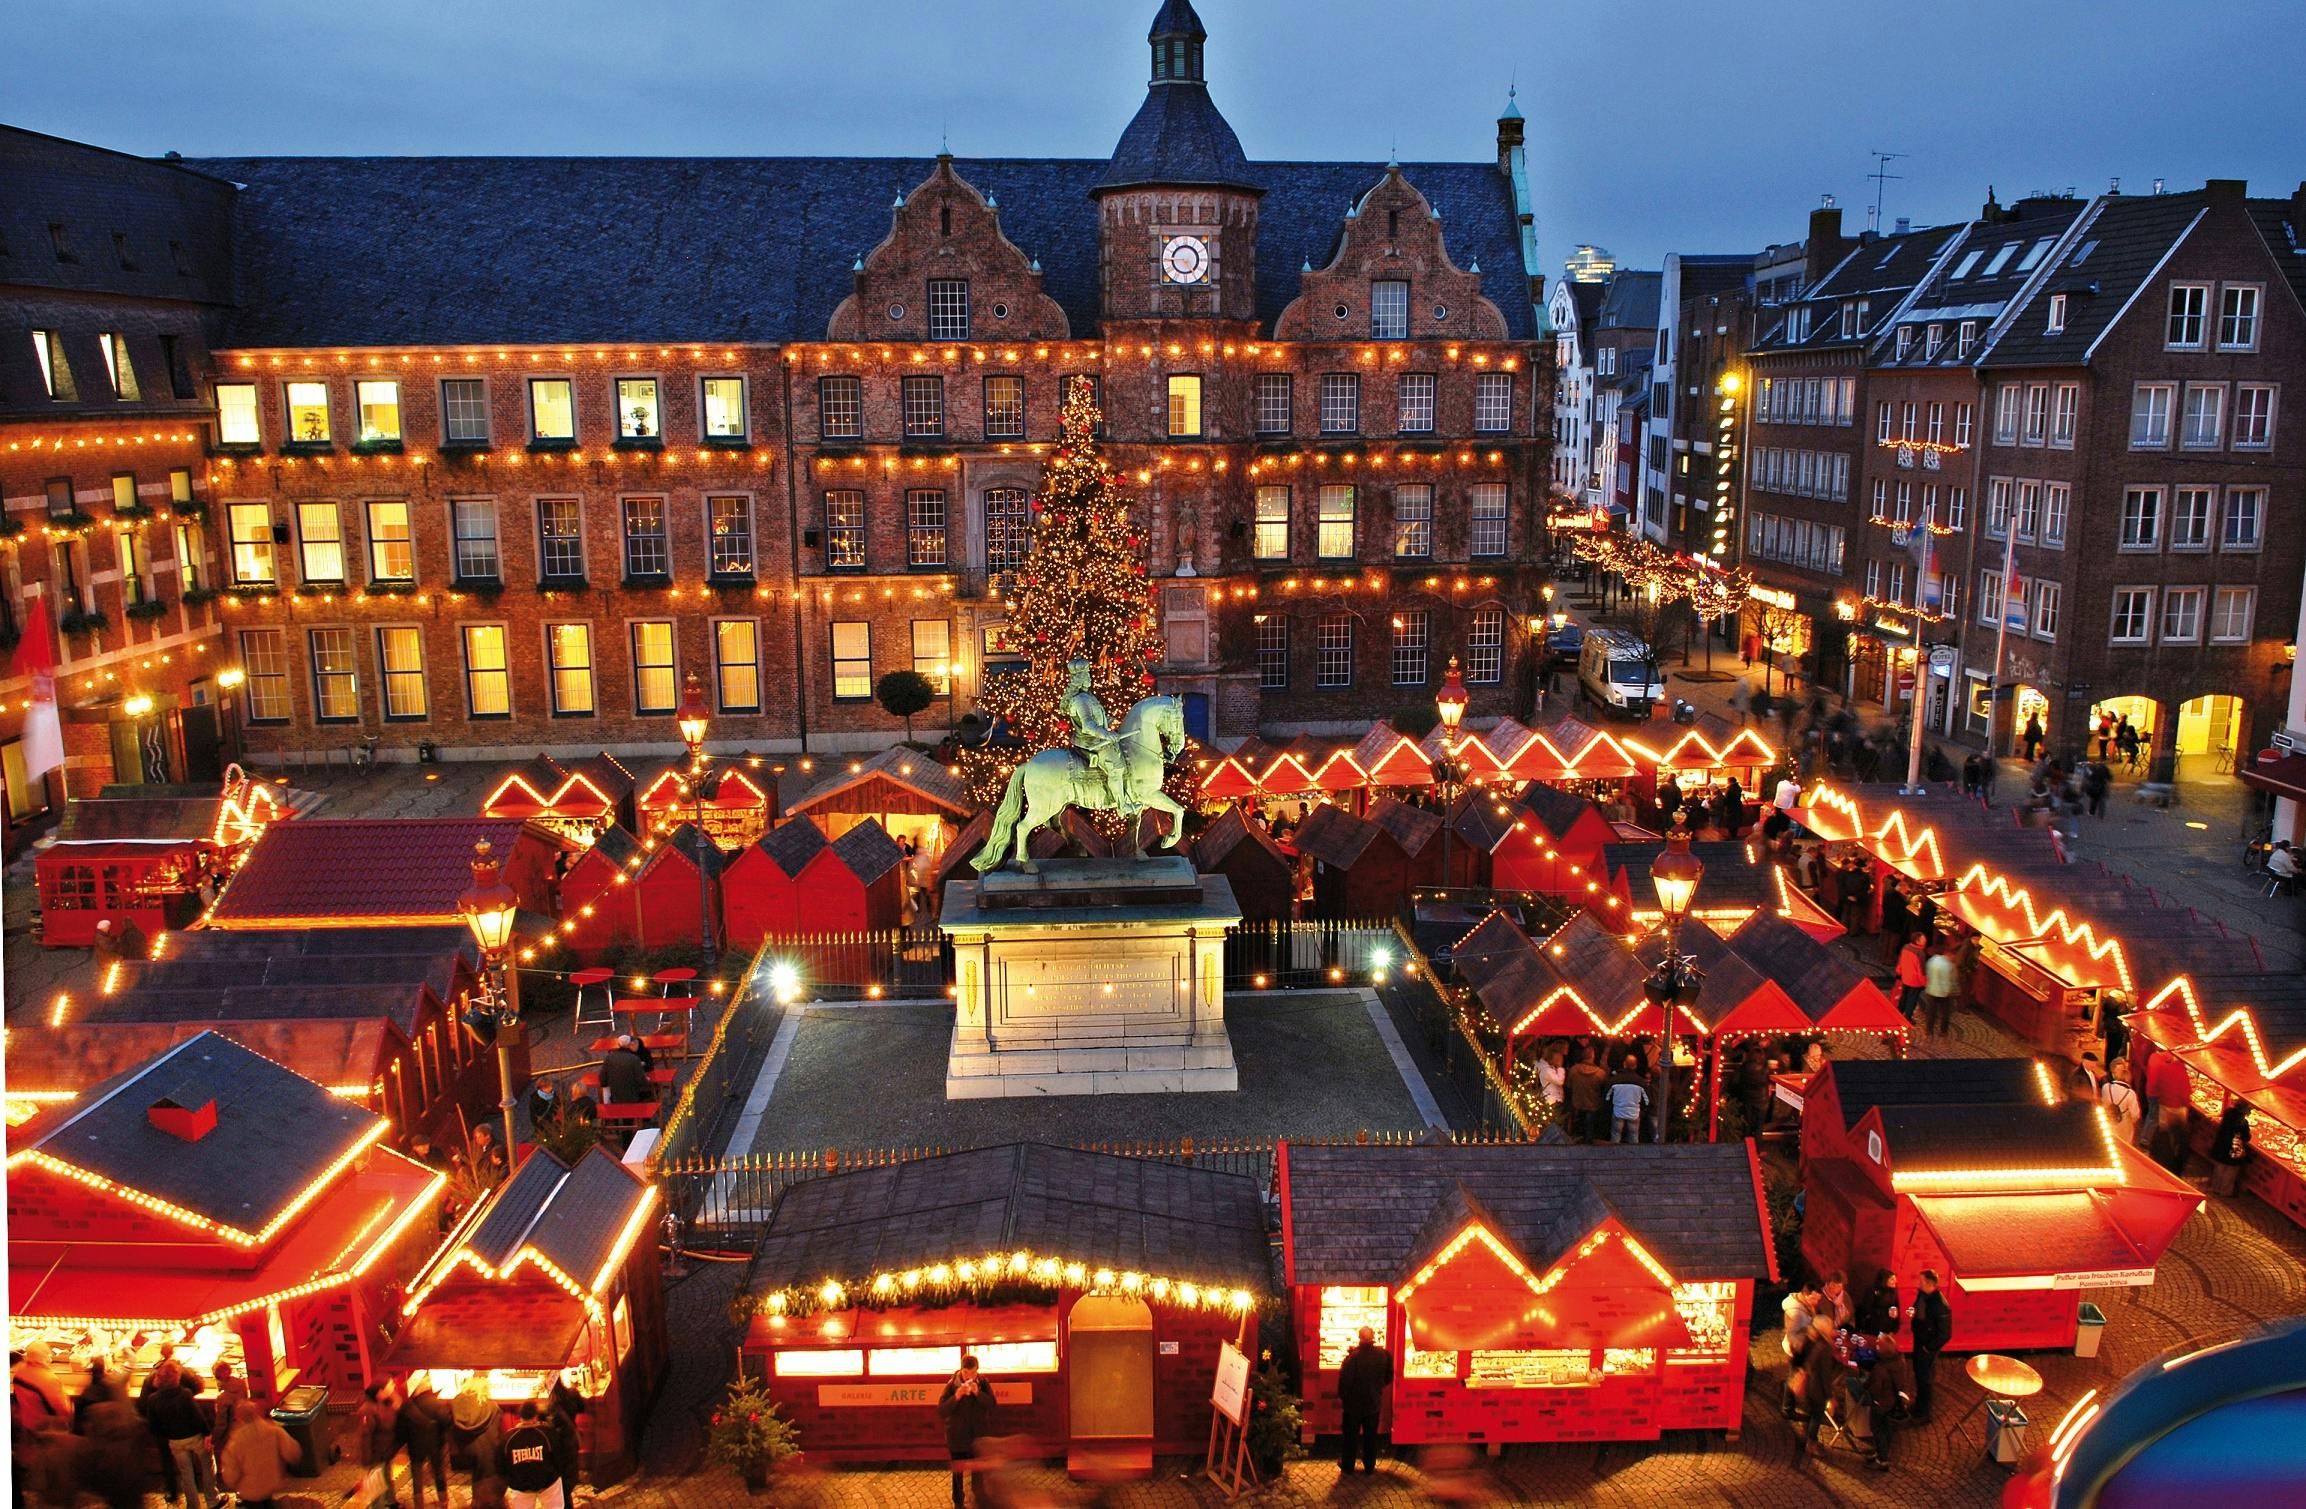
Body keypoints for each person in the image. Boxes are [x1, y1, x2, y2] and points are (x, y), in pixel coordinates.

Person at [145, 1360, 221, 1509]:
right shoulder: (184, 1394)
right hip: (194, 1437)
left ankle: (193, 1505)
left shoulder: (153, 1400)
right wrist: (207, 1434)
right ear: (176, 1378)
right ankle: (212, 1500)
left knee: (186, 1474)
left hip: (175, 1441)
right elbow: (198, 1417)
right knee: (208, 1465)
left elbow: (153, 1426)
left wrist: (167, 1435)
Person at [939, 1354, 998, 1506]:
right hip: (957, 1437)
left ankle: (978, 1499)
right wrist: (956, 1396)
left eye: (973, 1373)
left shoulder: (983, 1383)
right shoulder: (952, 1385)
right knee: (958, 1474)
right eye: (966, 1373)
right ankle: (958, 1502)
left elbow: (992, 1404)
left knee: (977, 1472)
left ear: (977, 1371)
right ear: (961, 1370)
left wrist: (978, 1393)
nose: (969, 1377)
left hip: (977, 1437)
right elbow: (942, 1411)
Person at [219, 1398, 301, 1508]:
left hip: (250, 1491)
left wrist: (232, 1483)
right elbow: (292, 1452)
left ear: (239, 1417)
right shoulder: (273, 1431)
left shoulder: (236, 1441)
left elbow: (231, 1471)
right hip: (270, 1484)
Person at [1336, 1326, 1392, 1474]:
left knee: (1350, 1436)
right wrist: (1378, 1388)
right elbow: (1389, 1376)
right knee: (1371, 1436)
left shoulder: (1353, 1357)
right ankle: (1369, 1465)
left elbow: (1345, 1381)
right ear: (1373, 1337)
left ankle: (1348, 1465)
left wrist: (1344, 1397)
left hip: (1353, 1405)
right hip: (1373, 1402)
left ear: (1359, 1337)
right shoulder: (1383, 1355)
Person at [397, 1374, 454, 1509]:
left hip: (415, 1446)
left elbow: (401, 1429)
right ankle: (443, 1501)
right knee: (438, 1472)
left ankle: (419, 1504)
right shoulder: (438, 1403)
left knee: (416, 1475)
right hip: (435, 1445)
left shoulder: (408, 1406)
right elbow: (447, 1421)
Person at [1860, 1335, 1915, 1471]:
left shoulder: (1880, 1369)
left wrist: (1865, 1383)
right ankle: (1880, 1452)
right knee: (1887, 1430)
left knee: (1878, 1430)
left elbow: (1875, 1389)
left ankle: (1882, 1460)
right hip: (1893, 1403)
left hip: (1880, 1404)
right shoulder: (1900, 1361)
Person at [1907, 1270, 1953, 1421]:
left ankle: (1925, 1413)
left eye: (1922, 1281)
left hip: (1927, 1347)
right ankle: (1919, 1405)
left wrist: (1929, 1348)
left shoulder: (1941, 1306)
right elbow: (1917, 1306)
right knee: (1919, 1374)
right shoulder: (1923, 1294)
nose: (1919, 1284)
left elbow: (1945, 1334)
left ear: (1930, 1284)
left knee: (1925, 1378)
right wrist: (1912, 1311)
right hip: (1920, 1340)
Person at [501, 1402, 563, 1509]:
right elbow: (560, 1458)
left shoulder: (508, 1438)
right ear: (535, 1417)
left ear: (520, 1418)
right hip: (548, 1484)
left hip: (521, 1488)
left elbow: (501, 1465)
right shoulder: (548, 1433)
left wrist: (512, 1481)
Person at [353, 1381, 404, 1509]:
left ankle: (391, 1502)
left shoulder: (387, 1402)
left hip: (387, 1451)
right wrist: (367, 1458)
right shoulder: (367, 1410)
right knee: (377, 1485)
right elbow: (365, 1437)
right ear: (380, 1392)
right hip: (376, 1454)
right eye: (390, 1385)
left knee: (387, 1477)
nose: (393, 1387)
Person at [1798, 1317, 1843, 1456]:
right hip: (1816, 1389)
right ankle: (1811, 1443)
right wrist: (1830, 1396)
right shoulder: (1825, 1349)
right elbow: (1825, 1376)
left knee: (1811, 1413)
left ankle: (1807, 1435)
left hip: (1810, 1386)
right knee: (1816, 1416)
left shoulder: (1812, 1341)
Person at [2147, 1047, 2195, 1173]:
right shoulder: (2182, 1072)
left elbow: (2157, 1084)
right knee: (2178, 1135)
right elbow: (2185, 1093)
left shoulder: (2163, 1068)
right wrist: (2187, 1105)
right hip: (2178, 1106)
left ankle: (2159, 1155)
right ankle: (2173, 1159)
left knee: (2163, 1130)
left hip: (2164, 1103)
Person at [452, 1375, 503, 1490]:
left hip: (466, 1448)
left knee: (477, 1473)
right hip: (487, 1449)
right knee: (486, 1478)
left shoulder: (457, 1402)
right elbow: (497, 1430)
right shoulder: (492, 1405)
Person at [1565, 1045, 1609, 1143]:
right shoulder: (1600, 1073)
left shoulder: (1573, 1070)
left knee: (1577, 1128)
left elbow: (1568, 1086)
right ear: (1593, 1056)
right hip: (1593, 1104)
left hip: (1577, 1103)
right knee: (1590, 1128)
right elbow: (1605, 1090)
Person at [1607, 1056, 1650, 1144]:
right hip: (1634, 1112)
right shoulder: (1641, 1082)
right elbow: (1646, 1099)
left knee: (1616, 1135)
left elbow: (1607, 1096)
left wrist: (1610, 1107)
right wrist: (1642, 1110)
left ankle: (1614, 1154)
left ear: (1624, 1064)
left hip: (1618, 1111)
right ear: (1635, 1066)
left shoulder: (1615, 1080)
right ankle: (1633, 1155)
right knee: (1633, 1136)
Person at [599, 1035, 651, 1105]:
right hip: (633, 1096)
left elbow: (602, 1077)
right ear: (629, 1045)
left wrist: (605, 1085)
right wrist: (647, 1083)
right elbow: (641, 1080)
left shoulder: (609, 1057)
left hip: (615, 1095)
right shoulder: (634, 1059)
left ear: (618, 1044)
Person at [1921, 943, 1959, 1037]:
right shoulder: (1950, 966)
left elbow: (1927, 972)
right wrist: (1955, 992)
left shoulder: (1934, 960)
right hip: (1944, 993)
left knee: (1931, 1012)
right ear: (1951, 955)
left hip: (1931, 990)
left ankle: (1929, 1030)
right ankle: (1943, 1031)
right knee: (1945, 1013)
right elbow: (1953, 980)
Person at [2100, 1060, 2143, 1140]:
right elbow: (2135, 1115)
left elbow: (2103, 1102)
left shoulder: (2106, 1087)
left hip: (2108, 1120)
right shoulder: (2130, 1093)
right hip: (2124, 1126)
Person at [1854, 1269, 1903, 1335]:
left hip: (1888, 1327)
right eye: (1892, 1279)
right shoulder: (1872, 1290)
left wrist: (1895, 1328)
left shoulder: (1893, 1291)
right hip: (1873, 1327)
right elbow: (1866, 1309)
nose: (1895, 1281)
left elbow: (1896, 1308)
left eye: (1895, 1279)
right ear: (1884, 1280)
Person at [1894, 933, 1928, 1021]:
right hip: (1915, 982)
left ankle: (1899, 1012)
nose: (1925, 941)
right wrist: (1925, 983)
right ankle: (1907, 1018)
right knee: (1912, 1000)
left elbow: (1900, 960)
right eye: (1923, 939)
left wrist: (1899, 971)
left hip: (1905, 977)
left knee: (1904, 996)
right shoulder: (1920, 953)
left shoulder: (1905, 947)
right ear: (1917, 941)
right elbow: (1921, 971)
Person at [1534, 1041, 1568, 1114]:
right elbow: (1559, 1081)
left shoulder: (1547, 1067)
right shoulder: (1547, 1070)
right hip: (1552, 1100)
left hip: (1553, 1098)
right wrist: (1560, 1067)